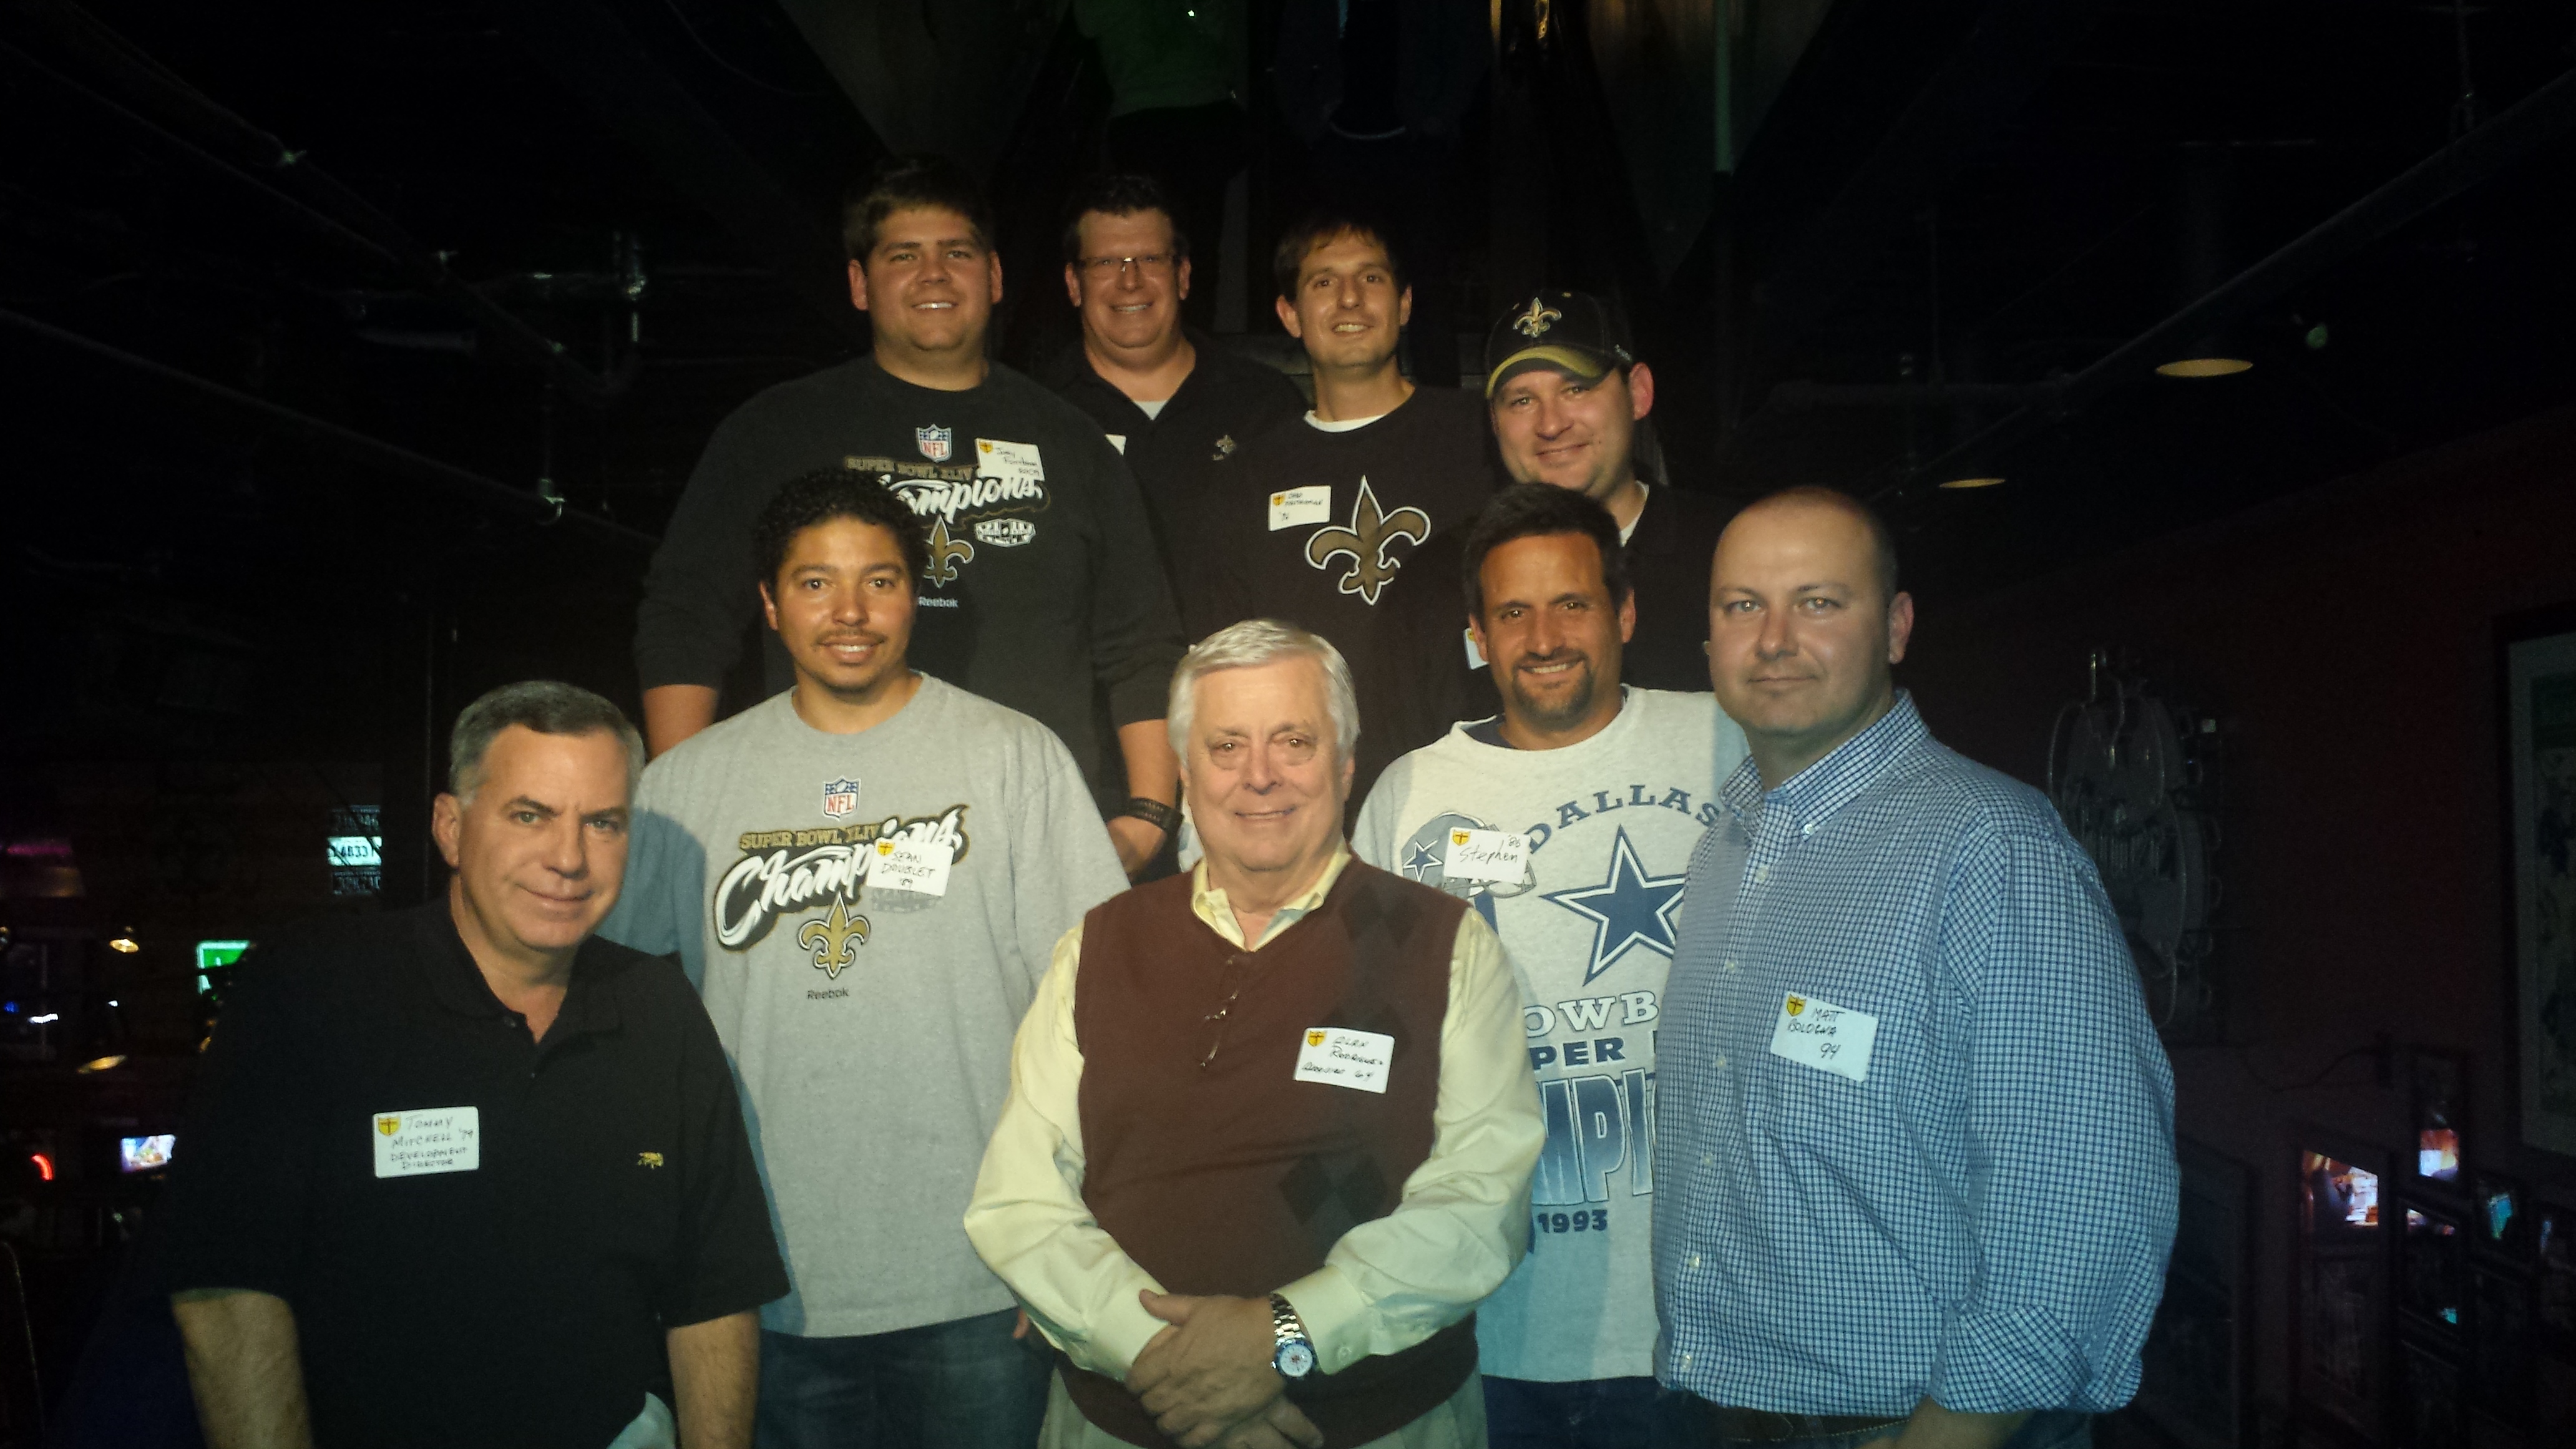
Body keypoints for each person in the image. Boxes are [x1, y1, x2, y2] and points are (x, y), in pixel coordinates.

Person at [603, 471, 1129, 1449]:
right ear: (769, 604)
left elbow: (1104, 1007)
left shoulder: (1012, 755)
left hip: (981, 1274)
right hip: (760, 1286)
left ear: (916, 594)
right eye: (815, 583)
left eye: (879, 580)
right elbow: (604, 1010)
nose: (850, 611)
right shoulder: (686, 786)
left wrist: (1076, 1235)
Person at [1655, 488, 2177, 1449]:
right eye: (1742, 605)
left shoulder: (1992, 846)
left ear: (1896, 627)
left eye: (1819, 601)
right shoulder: (1724, 849)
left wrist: (1950, 1434)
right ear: (1709, 639)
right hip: (1732, 1413)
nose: (1774, 639)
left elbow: (2083, 1188)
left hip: (1920, 1425)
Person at [964, 620, 1544, 1449]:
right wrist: (1168, 1357)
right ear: (1186, 773)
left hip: (1379, 1426)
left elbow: (1480, 1201)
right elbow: (1021, 1201)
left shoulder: (1446, 944)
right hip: (1123, 1423)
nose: (1260, 775)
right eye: (1226, 745)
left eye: (1294, 741)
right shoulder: (1098, 946)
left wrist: (1283, 1336)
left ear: (1346, 763)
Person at [162, 681, 787, 1449]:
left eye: (602, 823)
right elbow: (226, 1288)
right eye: (530, 815)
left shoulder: (659, 1008)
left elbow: (715, 1290)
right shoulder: (312, 995)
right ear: (451, 829)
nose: (568, 858)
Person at [632, 153, 1186, 877]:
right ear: (859, 284)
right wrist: (682, 813)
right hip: (823, 837)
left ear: (994, 277)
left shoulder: (1074, 442)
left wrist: (1147, 819)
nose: (933, 276)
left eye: (956, 253)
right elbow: (686, 618)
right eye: (903, 256)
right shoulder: (774, 430)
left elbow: (1140, 643)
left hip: (1030, 842)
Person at [1352, 485, 1747, 1448]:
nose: (1543, 638)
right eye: (1513, 612)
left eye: (1572, 603)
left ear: (1625, 612)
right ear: (1477, 635)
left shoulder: (1728, 739)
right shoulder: (1409, 793)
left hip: (1712, 1320)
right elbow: (1362, 1037)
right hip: (1494, 1320)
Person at [1188, 213, 1503, 806]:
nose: (1350, 298)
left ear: (1404, 304)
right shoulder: (1248, 478)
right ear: (1290, 315)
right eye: (1324, 282)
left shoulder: (1483, 436)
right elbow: (1224, 665)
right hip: (1312, 794)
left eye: (1371, 278)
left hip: (1478, 773)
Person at [1040, 173, 1306, 590]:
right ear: (1074, 285)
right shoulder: (1036, 414)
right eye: (1106, 262)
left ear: (1183, 276)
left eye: (1150, 259)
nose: (1130, 281)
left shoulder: (1265, 405)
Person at [1072, 1, 1250, 333]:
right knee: (1174, 236)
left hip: (1178, 113)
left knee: (1183, 237)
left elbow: (1219, 28)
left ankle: (1184, 334)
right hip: (1175, 114)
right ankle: (1178, 332)